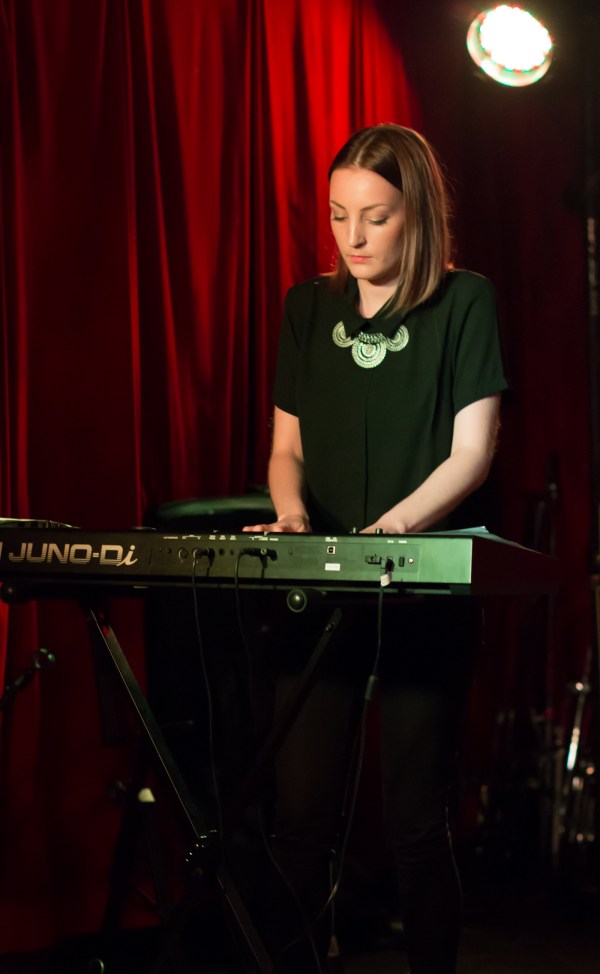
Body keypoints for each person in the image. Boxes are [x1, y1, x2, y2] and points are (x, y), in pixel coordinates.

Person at [244, 123, 508, 974]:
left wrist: (394, 529)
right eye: (338, 215)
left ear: (417, 214)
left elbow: (474, 452)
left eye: (376, 217)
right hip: (321, 587)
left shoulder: (465, 301)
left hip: (421, 583)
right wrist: (290, 517)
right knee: (299, 824)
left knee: (415, 826)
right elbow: (287, 450)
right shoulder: (306, 308)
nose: (352, 239)